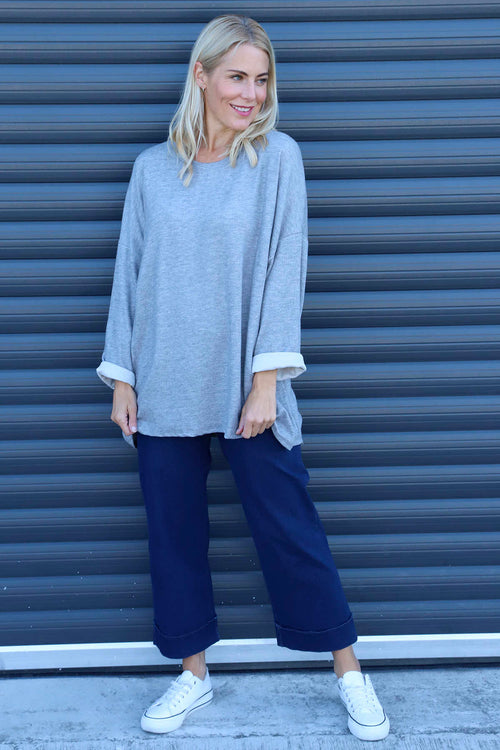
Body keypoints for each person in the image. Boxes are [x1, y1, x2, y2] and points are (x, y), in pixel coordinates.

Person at [96, 14, 390, 743]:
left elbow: (286, 269)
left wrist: (267, 382)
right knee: (173, 534)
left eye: (261, 80)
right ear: (201, 76)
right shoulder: (152, 170)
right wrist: (123, 377)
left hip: (246, 383)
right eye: (236, 77)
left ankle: (349, 671)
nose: (250, 94)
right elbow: (130, 275)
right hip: (163, 379)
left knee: (290, 527)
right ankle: (193, 675)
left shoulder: (276, 159)